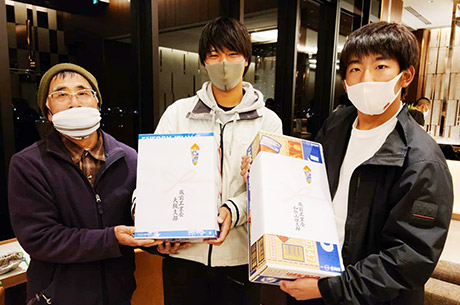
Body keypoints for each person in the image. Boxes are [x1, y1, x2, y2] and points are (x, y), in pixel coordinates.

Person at [241, 21, 453, 304]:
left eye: (380, 67)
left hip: (364, 297)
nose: (366, 79)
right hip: (312, 280)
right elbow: (308, 183)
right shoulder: (337, 124)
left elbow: (409, 259)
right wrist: (261, 174)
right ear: (345, 81)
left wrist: (329, 288)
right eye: (355, 69)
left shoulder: (423, 161)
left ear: (406, 75)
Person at [152, 17, 282, 305]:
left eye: (233, 54)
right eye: (214, 55)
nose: (224, 63)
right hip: (184, 255)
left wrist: (233, 209)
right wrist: (150, 216)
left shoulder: (269, 123)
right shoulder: (178, 114)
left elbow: (272, 189)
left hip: (239, 257)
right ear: (204, 62)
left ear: (247, 60)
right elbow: (154, 175)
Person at [8, 63, 160, 305]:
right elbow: (40, 238)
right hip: (55, 298)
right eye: (61, 94)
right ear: (47, 111)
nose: (74, 102)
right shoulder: (28, 165)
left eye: (83, 92)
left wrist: (162, 242)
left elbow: (142, 221)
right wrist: (112, 238)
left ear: (97, 102)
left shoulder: (129, 158)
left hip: (118, 296)